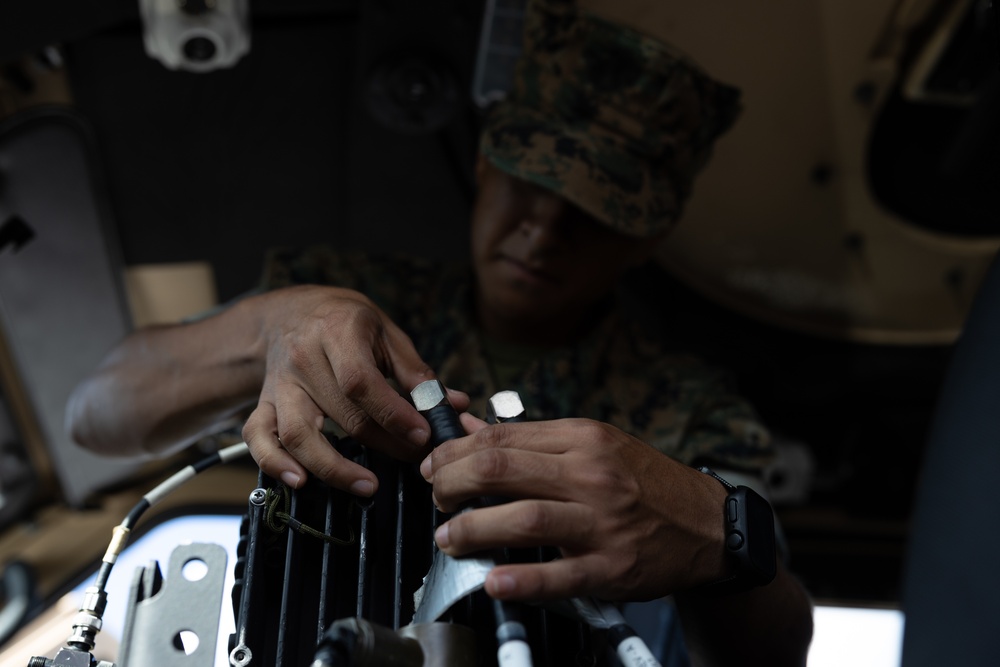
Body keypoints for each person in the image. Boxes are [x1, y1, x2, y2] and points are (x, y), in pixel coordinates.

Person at [67, 1, 813, 664]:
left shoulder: (688, 407)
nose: (542, 232)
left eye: (596, 211)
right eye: (531, 181)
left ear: (649, 237)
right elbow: (97, 415)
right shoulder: (345, 296)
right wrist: (269, 327)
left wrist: (719, 532)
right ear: (487, 162)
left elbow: (774, 647)